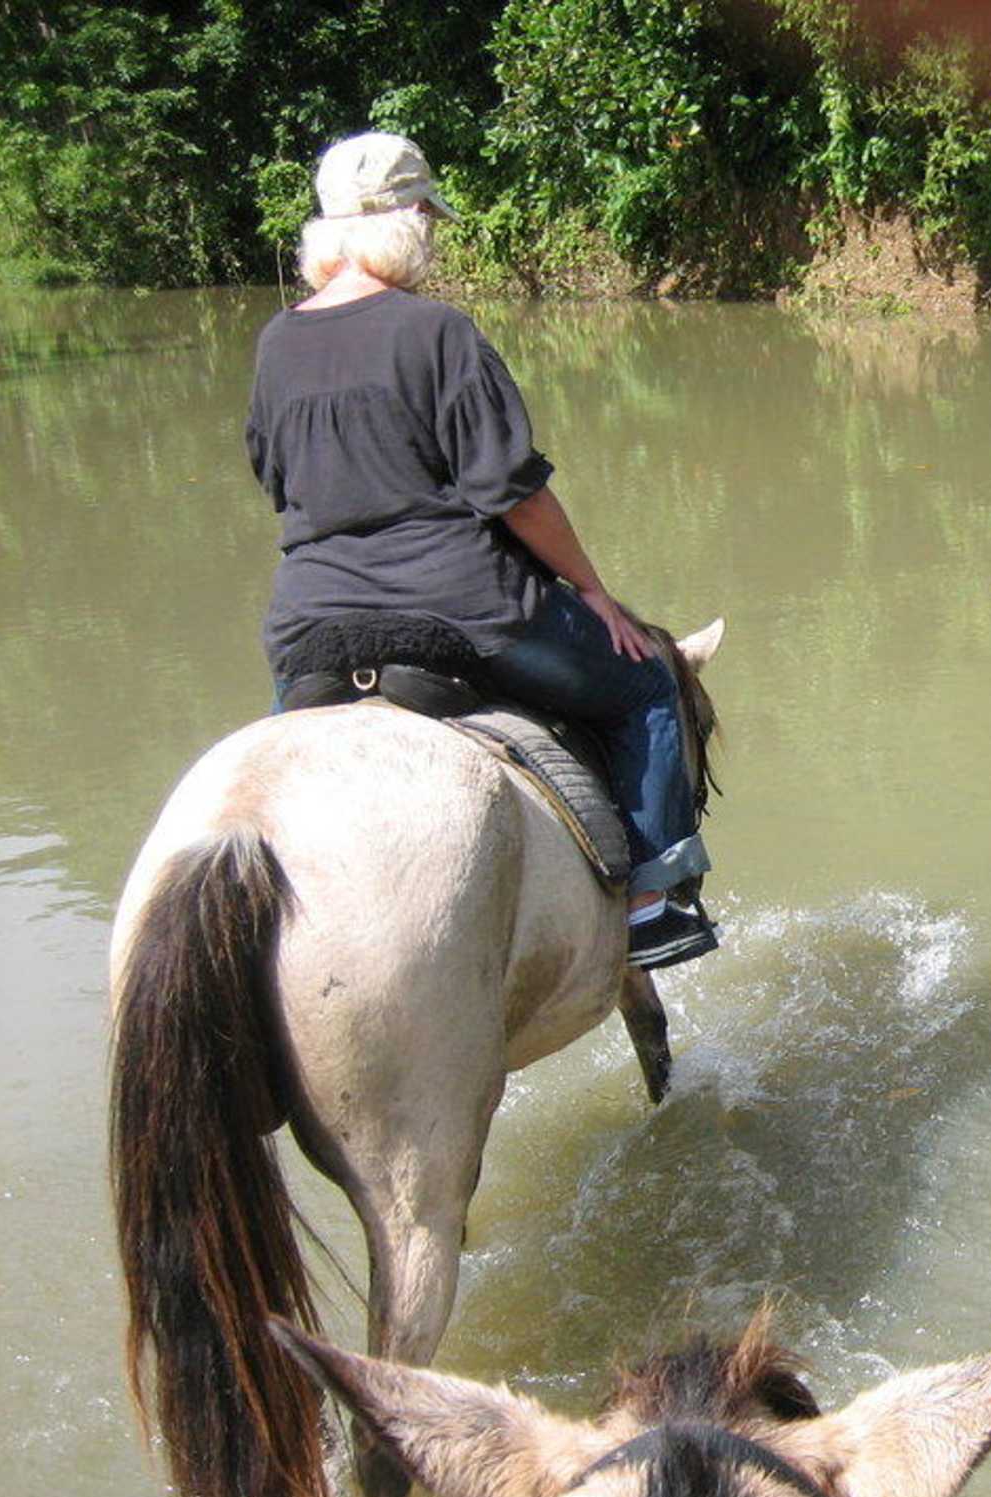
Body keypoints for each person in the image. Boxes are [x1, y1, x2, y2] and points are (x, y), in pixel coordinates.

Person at [245, 131, 716, 969]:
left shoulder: (276, 342)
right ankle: (652, 905)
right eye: (428, 219)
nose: (432, 236)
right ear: (404, 220)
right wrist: (594, 591)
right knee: (646, 685)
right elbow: (513, 492)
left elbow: (275, 479)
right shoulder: (437, 330)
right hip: (462, 607)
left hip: (309, 625)